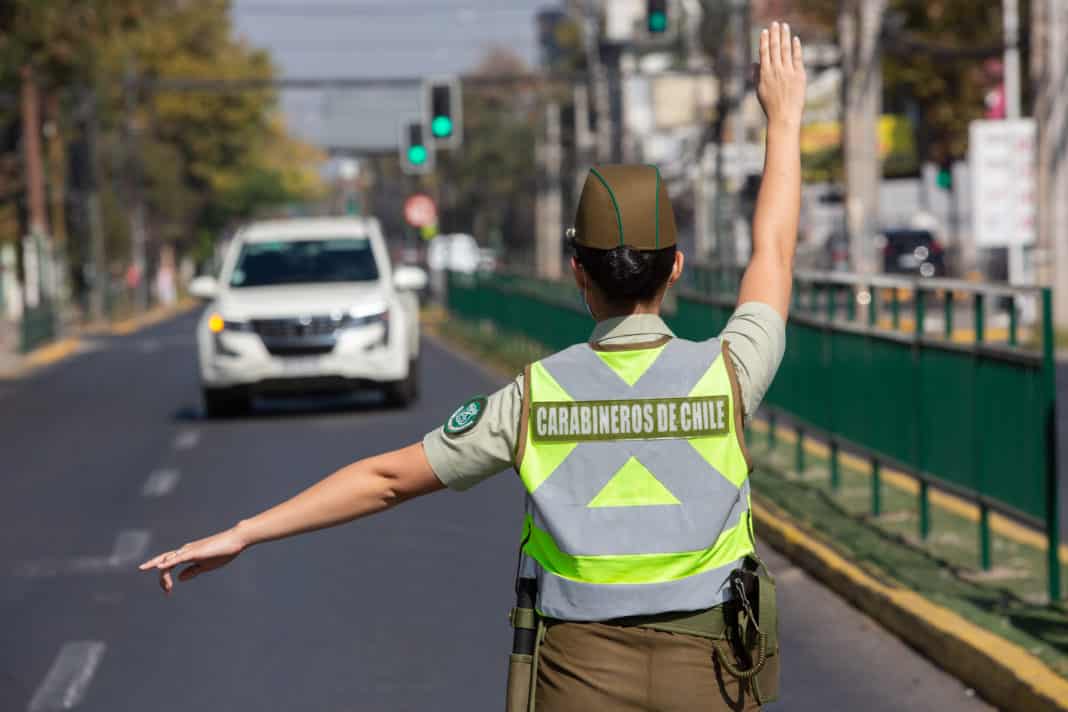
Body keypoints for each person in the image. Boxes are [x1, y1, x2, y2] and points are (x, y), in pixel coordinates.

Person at [140, 21, 805, 711]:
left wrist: (245, 532)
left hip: (576, 672)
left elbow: (386, 479)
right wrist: (782, 119)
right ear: (677, 269)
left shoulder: (534, 398)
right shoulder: (729, 373)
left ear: (577, 273)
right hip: (713, 672)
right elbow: (774, 254)